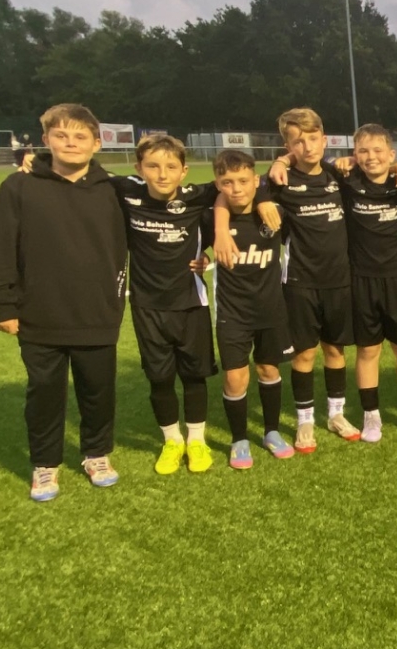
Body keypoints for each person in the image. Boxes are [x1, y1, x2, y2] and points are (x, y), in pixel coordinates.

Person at [0, 103, 128, 501]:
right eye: (61, 135)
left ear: (97, 143)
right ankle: (45, 463)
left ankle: (96, 454)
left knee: (98, 390)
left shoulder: (114, 189)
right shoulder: (19, 187)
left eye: (80, 136)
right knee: (44, 392)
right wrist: (1, 304)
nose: (71, 143)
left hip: (97, 311)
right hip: (39, 313)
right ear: (46, 140)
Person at [114, 135, 280, 475]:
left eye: (171, 167)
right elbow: (81, 176)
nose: (162, 174)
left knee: (194, 375)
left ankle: (196, 440)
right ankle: (172, 440)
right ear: (138, 168)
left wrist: (246, 211)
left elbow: (235, 187)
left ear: (184, 171)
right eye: (153, 166)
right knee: (160, 378)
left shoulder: (195, 195)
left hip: (191, 302)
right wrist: (37, 162)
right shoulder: (125, 191)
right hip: (147, 305)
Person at [253, 109, 357, 449]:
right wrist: (265, 195)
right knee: (304, 354)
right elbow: (250, 187)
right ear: (288, 146)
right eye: (298, 141)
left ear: (324, 140)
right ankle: (305, 420)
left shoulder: (337, 175)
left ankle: (336, 414)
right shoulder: (280, 180)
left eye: (313, 138)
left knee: (335, 350)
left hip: (339, 280)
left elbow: (377, 167)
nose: (308, 146)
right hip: (300, 282)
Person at [210, 149, 296, 469]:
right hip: (232, 312)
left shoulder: (274, 212)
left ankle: (271, 432)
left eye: (243, 181)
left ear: (255, 181)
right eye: (227, 182)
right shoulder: (212, 218)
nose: (236, 189)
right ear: (218, 184)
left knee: (268, 370)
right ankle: (239, 439)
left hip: (271, 309)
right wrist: (209, 246)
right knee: (235, 378)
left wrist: (264, 198)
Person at [339, 124, 397, 442]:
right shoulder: (348, 182)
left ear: (391, 154)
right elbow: (309, 166)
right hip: (361, 279)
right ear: (354, 154)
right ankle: (371, 415)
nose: (370, 156)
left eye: (378, 151)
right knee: (368, 350)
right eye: (363, 151)